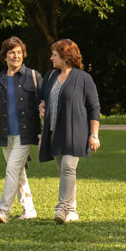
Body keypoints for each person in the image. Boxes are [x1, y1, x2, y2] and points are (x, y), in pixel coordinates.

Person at [0, 36, 42, 223]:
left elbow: (44, 103)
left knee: (12, 170)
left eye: (19, 52)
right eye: (12, 52)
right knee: (18, 171)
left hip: (26, 132)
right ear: (4, 56)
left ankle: (3, 211)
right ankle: (29, 209)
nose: (16, 56)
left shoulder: (34, 76)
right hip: (5, 134)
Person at [38, 39, 100, 223]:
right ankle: (72, 210)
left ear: (65, 56)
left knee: (67, 168)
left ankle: (61, 209)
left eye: (54, 55)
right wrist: (42, 107)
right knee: (65, 171)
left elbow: (94, 107)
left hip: (76, 132)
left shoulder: (83, 78)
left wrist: (94, 134)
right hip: (54, 132)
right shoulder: (50, 76)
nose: (51, 58)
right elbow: (42, 99)